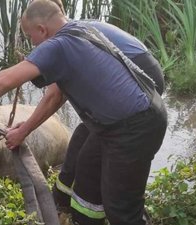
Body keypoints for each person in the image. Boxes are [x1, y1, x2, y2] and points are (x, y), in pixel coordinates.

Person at [0, 1, 168, 225]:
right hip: (121, 120)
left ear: (42, 30)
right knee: (86, 171)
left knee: (121, 207)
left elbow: (4, 81)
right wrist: (24, 129)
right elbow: (55, 96)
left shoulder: (58, 45)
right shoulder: (82, 31)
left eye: (29, 36)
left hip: (135, 125)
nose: (32, 43)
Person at [43, 0, 166, 220]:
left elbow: (54, 96)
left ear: (44, 26)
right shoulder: (76, 29)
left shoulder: (69, 40)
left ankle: (104, 208)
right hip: (145, 76)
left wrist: (23, 132)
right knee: (83, 143)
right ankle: (66, 203)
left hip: (140, 82)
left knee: (96, 161)